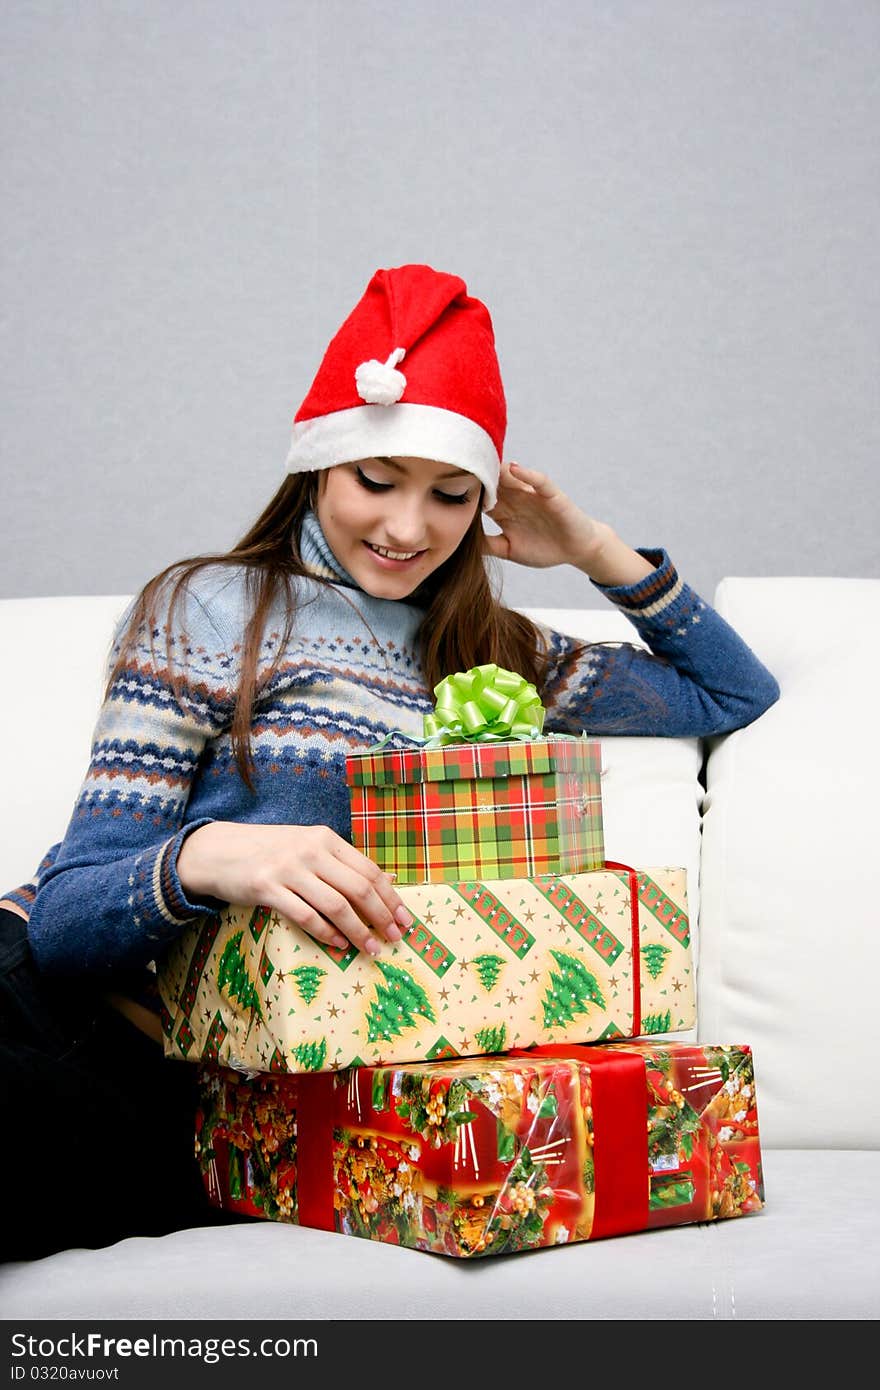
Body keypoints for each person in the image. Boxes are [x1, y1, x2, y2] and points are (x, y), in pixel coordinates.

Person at [0, 263, 779, 1261]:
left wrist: (593, 548)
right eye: (375, 481)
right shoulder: (206, 608)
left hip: (227, 1090)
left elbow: (730, 692)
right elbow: (65, 919)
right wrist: (210, 856)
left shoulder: (496, 655)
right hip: (52, 992)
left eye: (451, 496)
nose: (407, 529)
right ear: (317, 467)